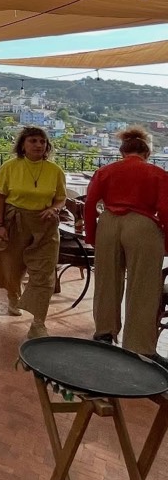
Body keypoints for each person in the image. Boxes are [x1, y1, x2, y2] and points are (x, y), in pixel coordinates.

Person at [85, 126, 168, 364]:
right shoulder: (158, 174)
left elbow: (90, 204)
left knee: (106, 280)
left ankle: (104, 333)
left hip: (109, 223)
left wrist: (92, 235)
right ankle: (140, 346)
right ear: (147, 153)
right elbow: (165, 210)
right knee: (142, 286)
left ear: (123, 152)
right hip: (142, 225)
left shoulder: (105, 171)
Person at [0, 126, 67, 339]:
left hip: (45, 226)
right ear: (23, 145)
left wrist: (54, 209)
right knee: (12, 266)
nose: (38, 145)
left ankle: (38, 323)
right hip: (15, 221)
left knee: (44, 274)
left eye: (42, 142)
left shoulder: (55, 171)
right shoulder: (10, 167)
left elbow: (61, 198)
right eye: (33, 141)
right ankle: (13, 295)